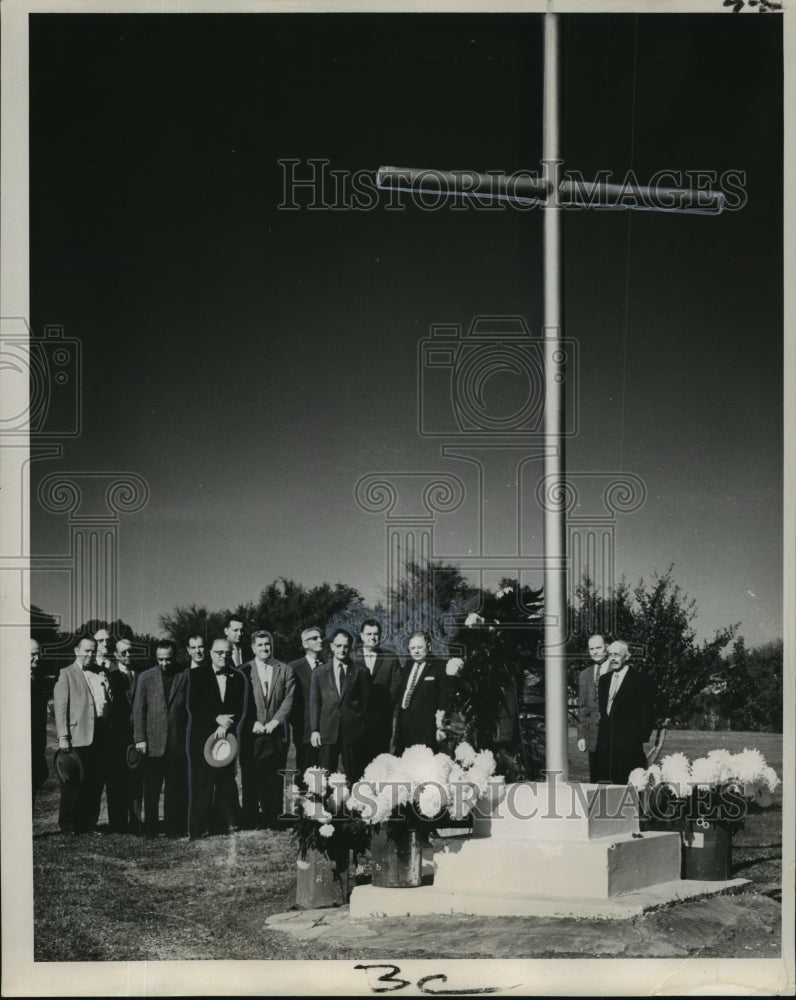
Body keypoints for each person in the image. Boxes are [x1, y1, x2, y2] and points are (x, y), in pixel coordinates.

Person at [187, 638, 245, 838]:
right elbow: (195, 705)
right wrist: (216, 719)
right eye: (219, 652)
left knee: (224, 780)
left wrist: (226, 724)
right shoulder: (195, 675)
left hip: (227, 737)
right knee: (202, 783)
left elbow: (239, 706)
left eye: (227, 653)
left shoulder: (238, 677)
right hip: (202, 736)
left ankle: (219, 824)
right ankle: (197, 827)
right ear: (211, 653)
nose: (223, 656)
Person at [53, 636, 111, 834]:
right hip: (77, 735)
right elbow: (60, 708)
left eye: (93, 650)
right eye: (86, 650)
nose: (90, 654)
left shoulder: (100, 673)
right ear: (76, 650)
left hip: (101, 734)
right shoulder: (66, 674)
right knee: (74, 783)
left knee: (95, 782)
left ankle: (89, 824)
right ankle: (68, 825)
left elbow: (106, 701)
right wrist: (63, 736)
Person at [239, 630, 295, 829]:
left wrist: (276, 721)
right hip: (251, 732)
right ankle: (250, 818)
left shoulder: (285, 670)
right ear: (253, 647)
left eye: (267, 644)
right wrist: (252, 722)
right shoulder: (243, 670)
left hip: (276, 733)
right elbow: (239, 702)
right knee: (250, 775)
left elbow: (289, 699)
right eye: (260, 644)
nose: (264, 648)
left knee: (274, 777)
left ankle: (274, 818)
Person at [133, 640, 189, 837]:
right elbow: (139, 710)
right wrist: (140, 739)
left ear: (175, 657)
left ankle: (174, 827)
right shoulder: (146, 677)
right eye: (161, 660)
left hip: (177, 742)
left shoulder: (185, 675)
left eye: (168, 659)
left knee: (175, 789)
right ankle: (150, 828)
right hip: (152, 743)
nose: (165, 663)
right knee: (152, 789)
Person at [310, 628, 370, 782]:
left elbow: (366, 703)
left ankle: (354, 806)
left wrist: (361, 727)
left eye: (346, 646)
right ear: (331, 646)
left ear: (350, 647)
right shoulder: (319, 672)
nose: (342, 650)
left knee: (354, 776)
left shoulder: (361, 671)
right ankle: (325, 806)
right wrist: (315, 730)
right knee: (324, 777)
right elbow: (315, 702)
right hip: (328, 731)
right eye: (339, 645)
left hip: (352, 732)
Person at [595, 640, 655, 785]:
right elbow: (604, 712)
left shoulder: (639, 680)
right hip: (605, 745)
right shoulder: (604, 680)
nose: (613, 658)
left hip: (629, 746)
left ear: (626, 656)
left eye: (616, 655)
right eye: (610, 655)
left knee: (626, 787)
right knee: (604, 787)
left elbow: (648, 712)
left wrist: (637, 738)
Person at [106, 636, 142, 832]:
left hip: (138, 734)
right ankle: (118, 823)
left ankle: (136, 820)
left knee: (137, 779)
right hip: (116, 737)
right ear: (115, 655)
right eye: (123, 653)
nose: (128, 656)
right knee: (117, 780)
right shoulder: (109, 675)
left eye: (130, 652)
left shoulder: (142, 673)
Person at [352, 619, 401, 762]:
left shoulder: (390, 657)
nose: (372, 637)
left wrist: (380, 708)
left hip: (381, 721)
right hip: (356, 721)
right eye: (368, 634)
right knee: (356, 765)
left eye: (376, 634)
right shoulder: (351, 657)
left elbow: (395, 688)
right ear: (361, 636)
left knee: (379, 764)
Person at [394, 631, 449, 754]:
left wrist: (441, 726)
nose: (416, 651)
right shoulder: (407, 667)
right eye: (413, 648)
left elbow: (443, 699)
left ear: (429, 646)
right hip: (405, 728)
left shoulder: (440, 667)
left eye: (420, 647)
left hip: (426, 729)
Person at [289, 627, 325, 780]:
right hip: (304, 729)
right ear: (304, 644)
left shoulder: (328, 665)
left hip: (327, 728)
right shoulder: (293, 668)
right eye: (314, 638)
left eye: (321, 637)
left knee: (324, 773)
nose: (320, 640)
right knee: (305, 772)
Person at [576, 634, 610, 782]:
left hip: (613, 736)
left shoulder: (617, 670)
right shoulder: (584, 675)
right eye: (591, 649)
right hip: (592, 737)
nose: (595, 652)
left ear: (607, 647)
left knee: (615, 782)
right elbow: (582, 707)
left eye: (598, 647)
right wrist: (581, 735)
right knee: (596, 781)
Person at [30, 638, 50, 798]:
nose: (37, 658)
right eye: (32, 654)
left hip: (35, 749)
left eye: (38, 654)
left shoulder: (39, 681)